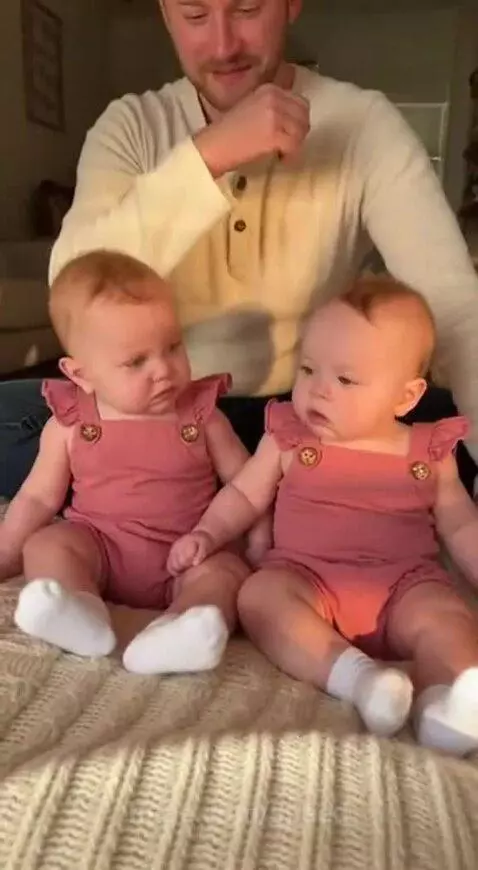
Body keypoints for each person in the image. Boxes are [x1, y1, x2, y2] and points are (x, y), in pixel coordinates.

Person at [1, 0, 478, 499]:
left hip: (313, 414)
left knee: (440, 442)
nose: (224, 45)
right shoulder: (131, 125)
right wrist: (209, 156)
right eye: (195, 15)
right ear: (166, 13)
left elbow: (454, 310)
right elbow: (73, 284)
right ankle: (276, 503)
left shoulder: (365, 124)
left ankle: (208, 500)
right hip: (154, 412)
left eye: (247, 9)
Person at [168, 277, 478, 756]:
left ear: (406, 396)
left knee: (449, 618)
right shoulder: (290, 439)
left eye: (345, 379)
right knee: (259, 596)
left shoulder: (427, 451)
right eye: (308, 369)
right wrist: (207, 533)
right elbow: (246, 494)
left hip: (403, 584)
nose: (318, 391)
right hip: (306, 578)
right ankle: (358, 679)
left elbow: (460, 524)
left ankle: (445, 703)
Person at [0, 250, 270, 674]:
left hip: (188, 552)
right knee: (47, 545)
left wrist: (258, 547)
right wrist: (6, 553)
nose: (163, 369)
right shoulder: (71, 425)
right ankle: (78, 612)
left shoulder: (201, 417)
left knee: (225, 574)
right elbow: (36, 498)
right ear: (81, 375)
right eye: (136, 361)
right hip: (100, 548)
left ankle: (184, 629)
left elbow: (248, 485)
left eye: (173, 347)